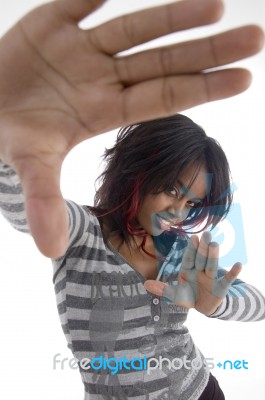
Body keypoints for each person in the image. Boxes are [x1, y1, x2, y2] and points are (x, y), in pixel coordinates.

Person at [0, 0, 265, 399]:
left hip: (203, 391)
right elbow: (25, 207)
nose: (180, 211)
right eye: (173, 190)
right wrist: (10, 139)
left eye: (192, 203)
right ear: (137, 172)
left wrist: (217, 303)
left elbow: (258, 303)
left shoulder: (177, 248)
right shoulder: (81, 233)